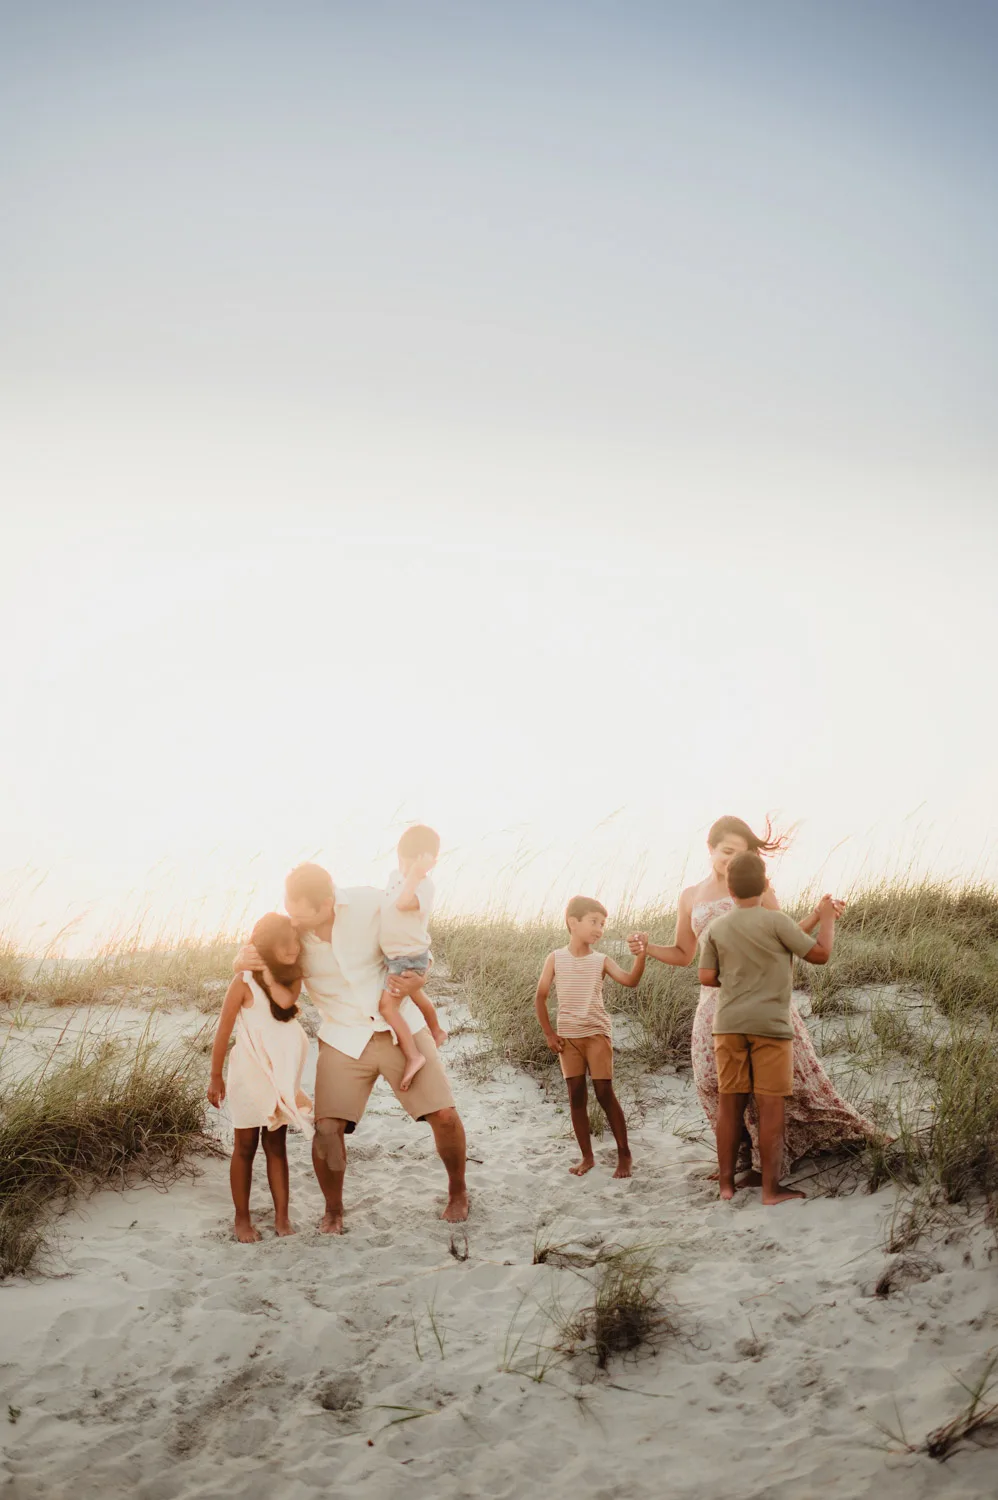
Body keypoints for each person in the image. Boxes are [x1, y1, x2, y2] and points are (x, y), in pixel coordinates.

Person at [630, 815, 879, 1178]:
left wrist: (816, 916)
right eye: (726, 851)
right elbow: (685, 954)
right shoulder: (690, 896)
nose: (731, 860)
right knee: (710, 1079)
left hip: (762, 998)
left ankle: (768, 1162)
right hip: (714, 1001)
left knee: (776, 1084)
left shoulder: (757, 887)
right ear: (710, 847)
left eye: (740, 854)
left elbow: (782, 932)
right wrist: (648, 948)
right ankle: (738, 1156)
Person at [235, 861, 468, 1233]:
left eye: (299, 913)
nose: (291, 919)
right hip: (343, 1036)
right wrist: (239, 959)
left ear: (326, 903)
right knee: (326, 1128)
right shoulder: (290, 934)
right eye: (287, 908)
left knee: (444, 1115)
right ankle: (333, 1211)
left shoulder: (370, 905)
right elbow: (257, 952)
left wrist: (418, 977)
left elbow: (413, 939)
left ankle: (458, 1191)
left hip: (399, 1022)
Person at [698, 853, 838, 1205]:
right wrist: (826, 919)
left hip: (728, 1026)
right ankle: (771, 1190)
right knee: (770, 1106)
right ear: (765, 885)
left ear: (729, 890)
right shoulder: (777, 921)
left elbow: (706, 978)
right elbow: (820, 955)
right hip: (771, 1027)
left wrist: (735, 975)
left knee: (730, 1105)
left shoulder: (717, 928)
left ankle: (726, 1186)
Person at [208, 912, 314, 1242]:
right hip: (245, 1072)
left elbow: (285, 1002)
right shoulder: (241, 982)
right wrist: (215, 1077)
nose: (294, 948)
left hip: (278, 1074)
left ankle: (282, 1217)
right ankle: (242, 1219)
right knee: (245, 1146)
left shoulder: (292, 978)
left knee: (276, 1145)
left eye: (296, 941)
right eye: (286, 944)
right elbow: (223, 1031)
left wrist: (268, 973)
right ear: (267, 946)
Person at [534, 896, 647, 1179]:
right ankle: (587, 1157)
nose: (600, 929)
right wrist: (549, 1032)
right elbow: (541, 996)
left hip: (596, 1035)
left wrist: (642, 955)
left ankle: (625, 1155)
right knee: (576, 1097)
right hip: (568, 1038)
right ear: (573, 922)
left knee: (604, 1093)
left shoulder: (601, 960)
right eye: (594, 922)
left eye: (603, 924)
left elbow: (630, 980)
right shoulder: (555, 958)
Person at [378, 824, 448, 1092]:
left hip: (408, 958)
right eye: (403, 860)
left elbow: (402, 904)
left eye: (414, 863)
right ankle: (437, 1030)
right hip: (396, 957)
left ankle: (413, 1055)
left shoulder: (424, 886)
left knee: (387, 1007)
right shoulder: (396, 876)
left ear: (428, 863)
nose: (405, 868)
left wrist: (416, 875)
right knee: (417, 996)